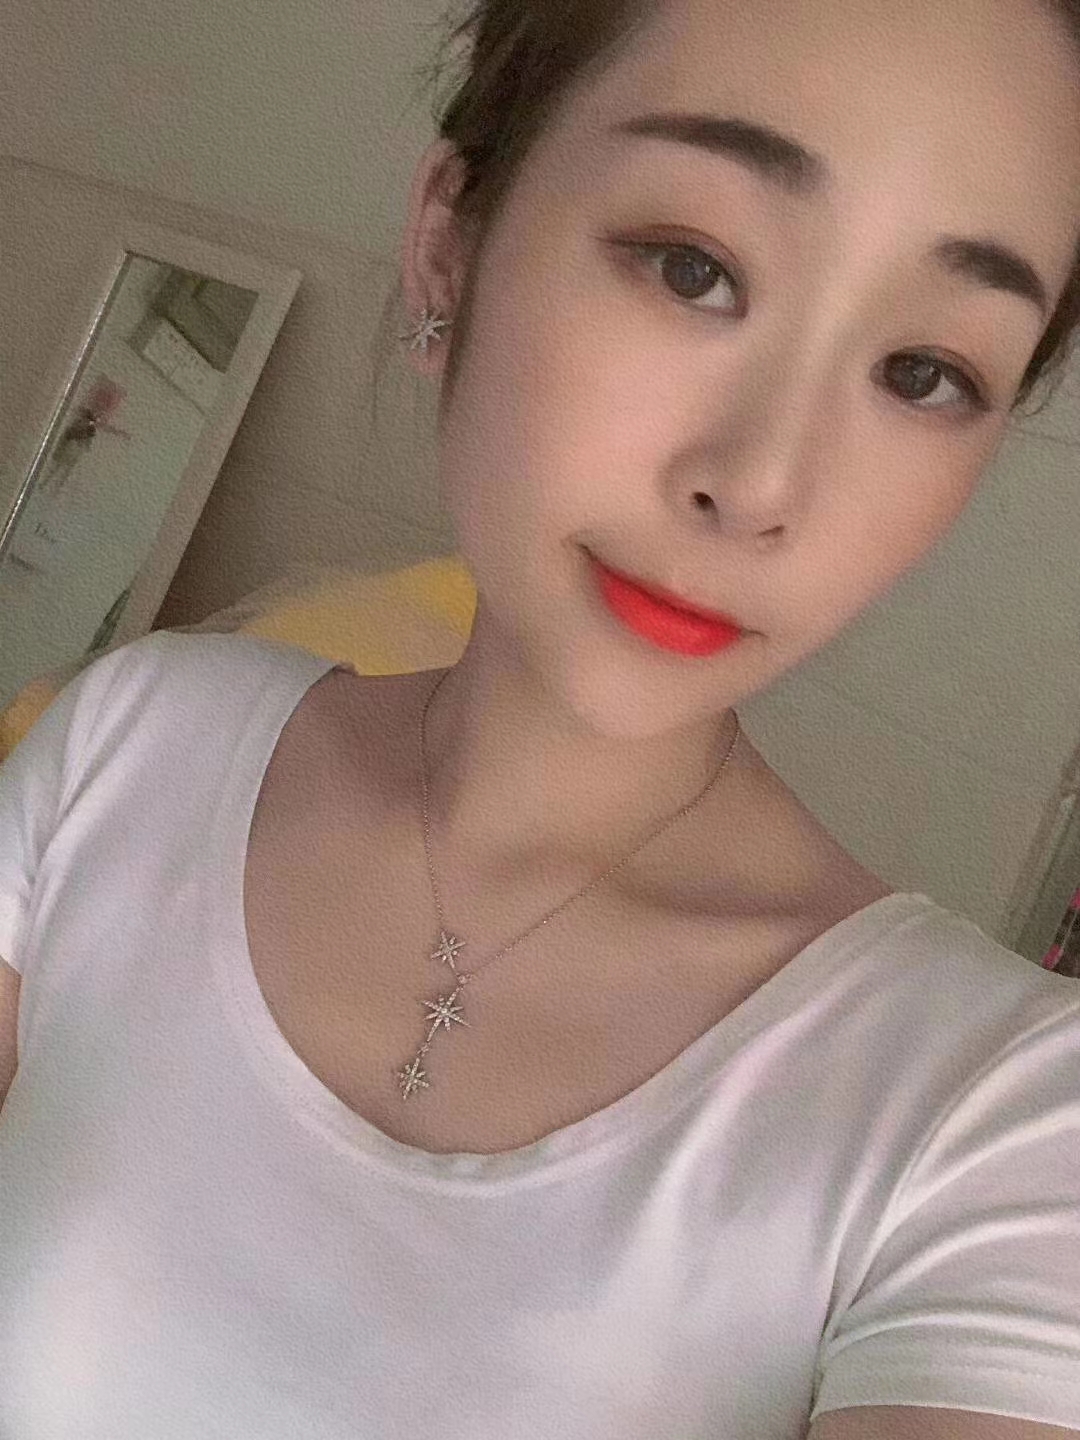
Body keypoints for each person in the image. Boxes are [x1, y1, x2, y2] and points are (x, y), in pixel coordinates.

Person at [1, 0, 1079, 1434]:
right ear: (451, 242)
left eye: (922, 373)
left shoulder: (992, 1119)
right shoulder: (134, 749)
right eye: (696, 268)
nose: (761, 483)